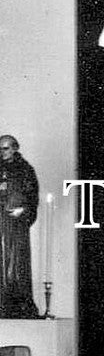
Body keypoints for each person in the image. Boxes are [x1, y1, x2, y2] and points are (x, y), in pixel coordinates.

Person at [0, 135, 40, 318]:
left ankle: (18, 302)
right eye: (0, 148)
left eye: (6, 148)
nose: (2, 152)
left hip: (15, 226)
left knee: (16, 264)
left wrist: (22, 211)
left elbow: (32, 198)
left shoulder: (25, 170)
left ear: (15, 148)